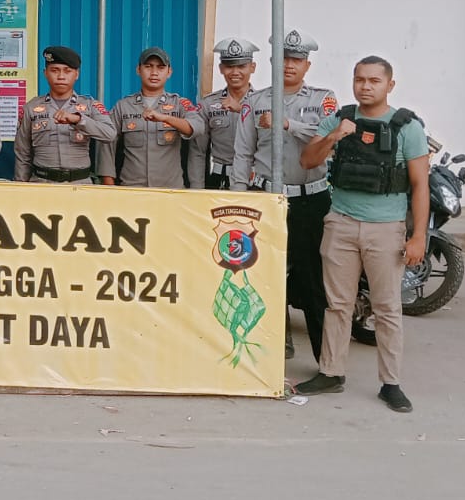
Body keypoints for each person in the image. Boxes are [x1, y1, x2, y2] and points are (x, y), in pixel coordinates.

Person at [293, 55, 429, 413]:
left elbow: (420, 186)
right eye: (359, 80)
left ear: (389, 85)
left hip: (386, 229)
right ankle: (331, 372)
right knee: (337, 305)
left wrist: (418, 238)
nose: (365, 86)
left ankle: (391, 382)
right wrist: (335, 136)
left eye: (373, 80)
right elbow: (308, 161)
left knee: (387, 308)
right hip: (340, 223)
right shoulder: (341, 118)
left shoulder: (407, 126)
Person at [232, 30, 338, 363]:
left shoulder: (323, 100)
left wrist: (288, 124)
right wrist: (239, 201)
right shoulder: (256, 100)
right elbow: (242, 153)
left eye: (296, 59)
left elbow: (330, 137)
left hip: (310, 200)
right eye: (284, 59)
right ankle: (269, 353)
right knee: (263, 277)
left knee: (313, 281)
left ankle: (327, 364)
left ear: (307, 64)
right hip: (266, 199)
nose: (289, 65)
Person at [98, 47, 206, 189]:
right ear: (138, 70)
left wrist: (165, 118)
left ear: (169, 72)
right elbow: (107, 144)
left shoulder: (179, 104)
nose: (154, 73)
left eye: (160, 68)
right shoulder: (123, 106)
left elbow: (197, 128)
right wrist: (109, 185)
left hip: (170, 191)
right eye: (148, 67)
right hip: (132, 189)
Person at [13, 46, 115, 183]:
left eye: (67, 71)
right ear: (45, 73)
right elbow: (22, 153)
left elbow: (110, 134)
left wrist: (78, 120)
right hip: (42, 184)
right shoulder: (31, 107)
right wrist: (21, 187)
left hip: (80, 185)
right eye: (55, 70)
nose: (61, 76)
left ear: (76, 74)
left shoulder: (90, 106)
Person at [197, 38, 259, 190]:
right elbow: (198, 152)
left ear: (252, 67)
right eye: (229, 66)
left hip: (255, 180)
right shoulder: (209, 104)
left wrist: (241, 109)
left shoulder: (263, 102)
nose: (235, 72)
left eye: (241, 66)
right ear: (221, 68)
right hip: (220, 180)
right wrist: (196, 188)